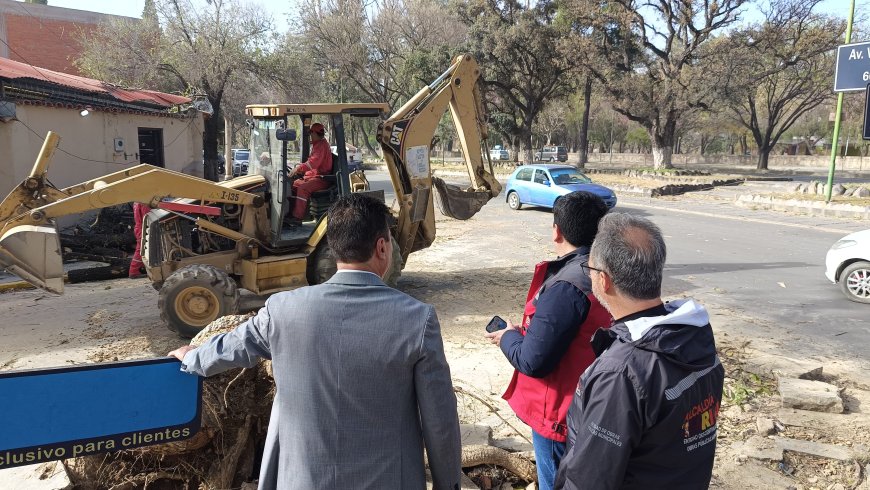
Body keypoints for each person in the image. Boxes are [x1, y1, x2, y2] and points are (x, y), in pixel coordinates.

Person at [169, 194, 461, 490]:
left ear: (334, 249)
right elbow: (440, 421)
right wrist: (447, 484)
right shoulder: (417, 320)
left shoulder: (282, 310)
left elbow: (234, 346)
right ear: (382, 247)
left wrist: (193, 357)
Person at [554, 213, 724, 490]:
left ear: (603, 280)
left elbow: (588, 480)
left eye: (590, 269)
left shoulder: (620, 374)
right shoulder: (695, 336)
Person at [485, 191, 611, 490]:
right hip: (593, 405)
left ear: (557, 231)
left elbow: (533, 361)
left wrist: (507, 336)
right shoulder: (606, 272)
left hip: (559, 415)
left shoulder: (567, 286)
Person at [287, 122, 333, 225]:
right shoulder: (317, 145)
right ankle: (290, 213)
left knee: (303, 188)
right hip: (313, 176)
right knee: (294, 184)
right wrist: (299, 169)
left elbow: (313, 163)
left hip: (322, 178)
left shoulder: (321, 146)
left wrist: (299, 168)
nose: (310, 135)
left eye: (311, 133)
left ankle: (297, 218)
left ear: (316, 133)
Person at [128, 202, 148, 278]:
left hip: (140, 227)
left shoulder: (137, 202)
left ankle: (135, 271)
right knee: (141, 249)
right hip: (143, 228)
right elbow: (148, 215)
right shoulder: (144, 203)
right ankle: (134, 272)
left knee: (142, 248)